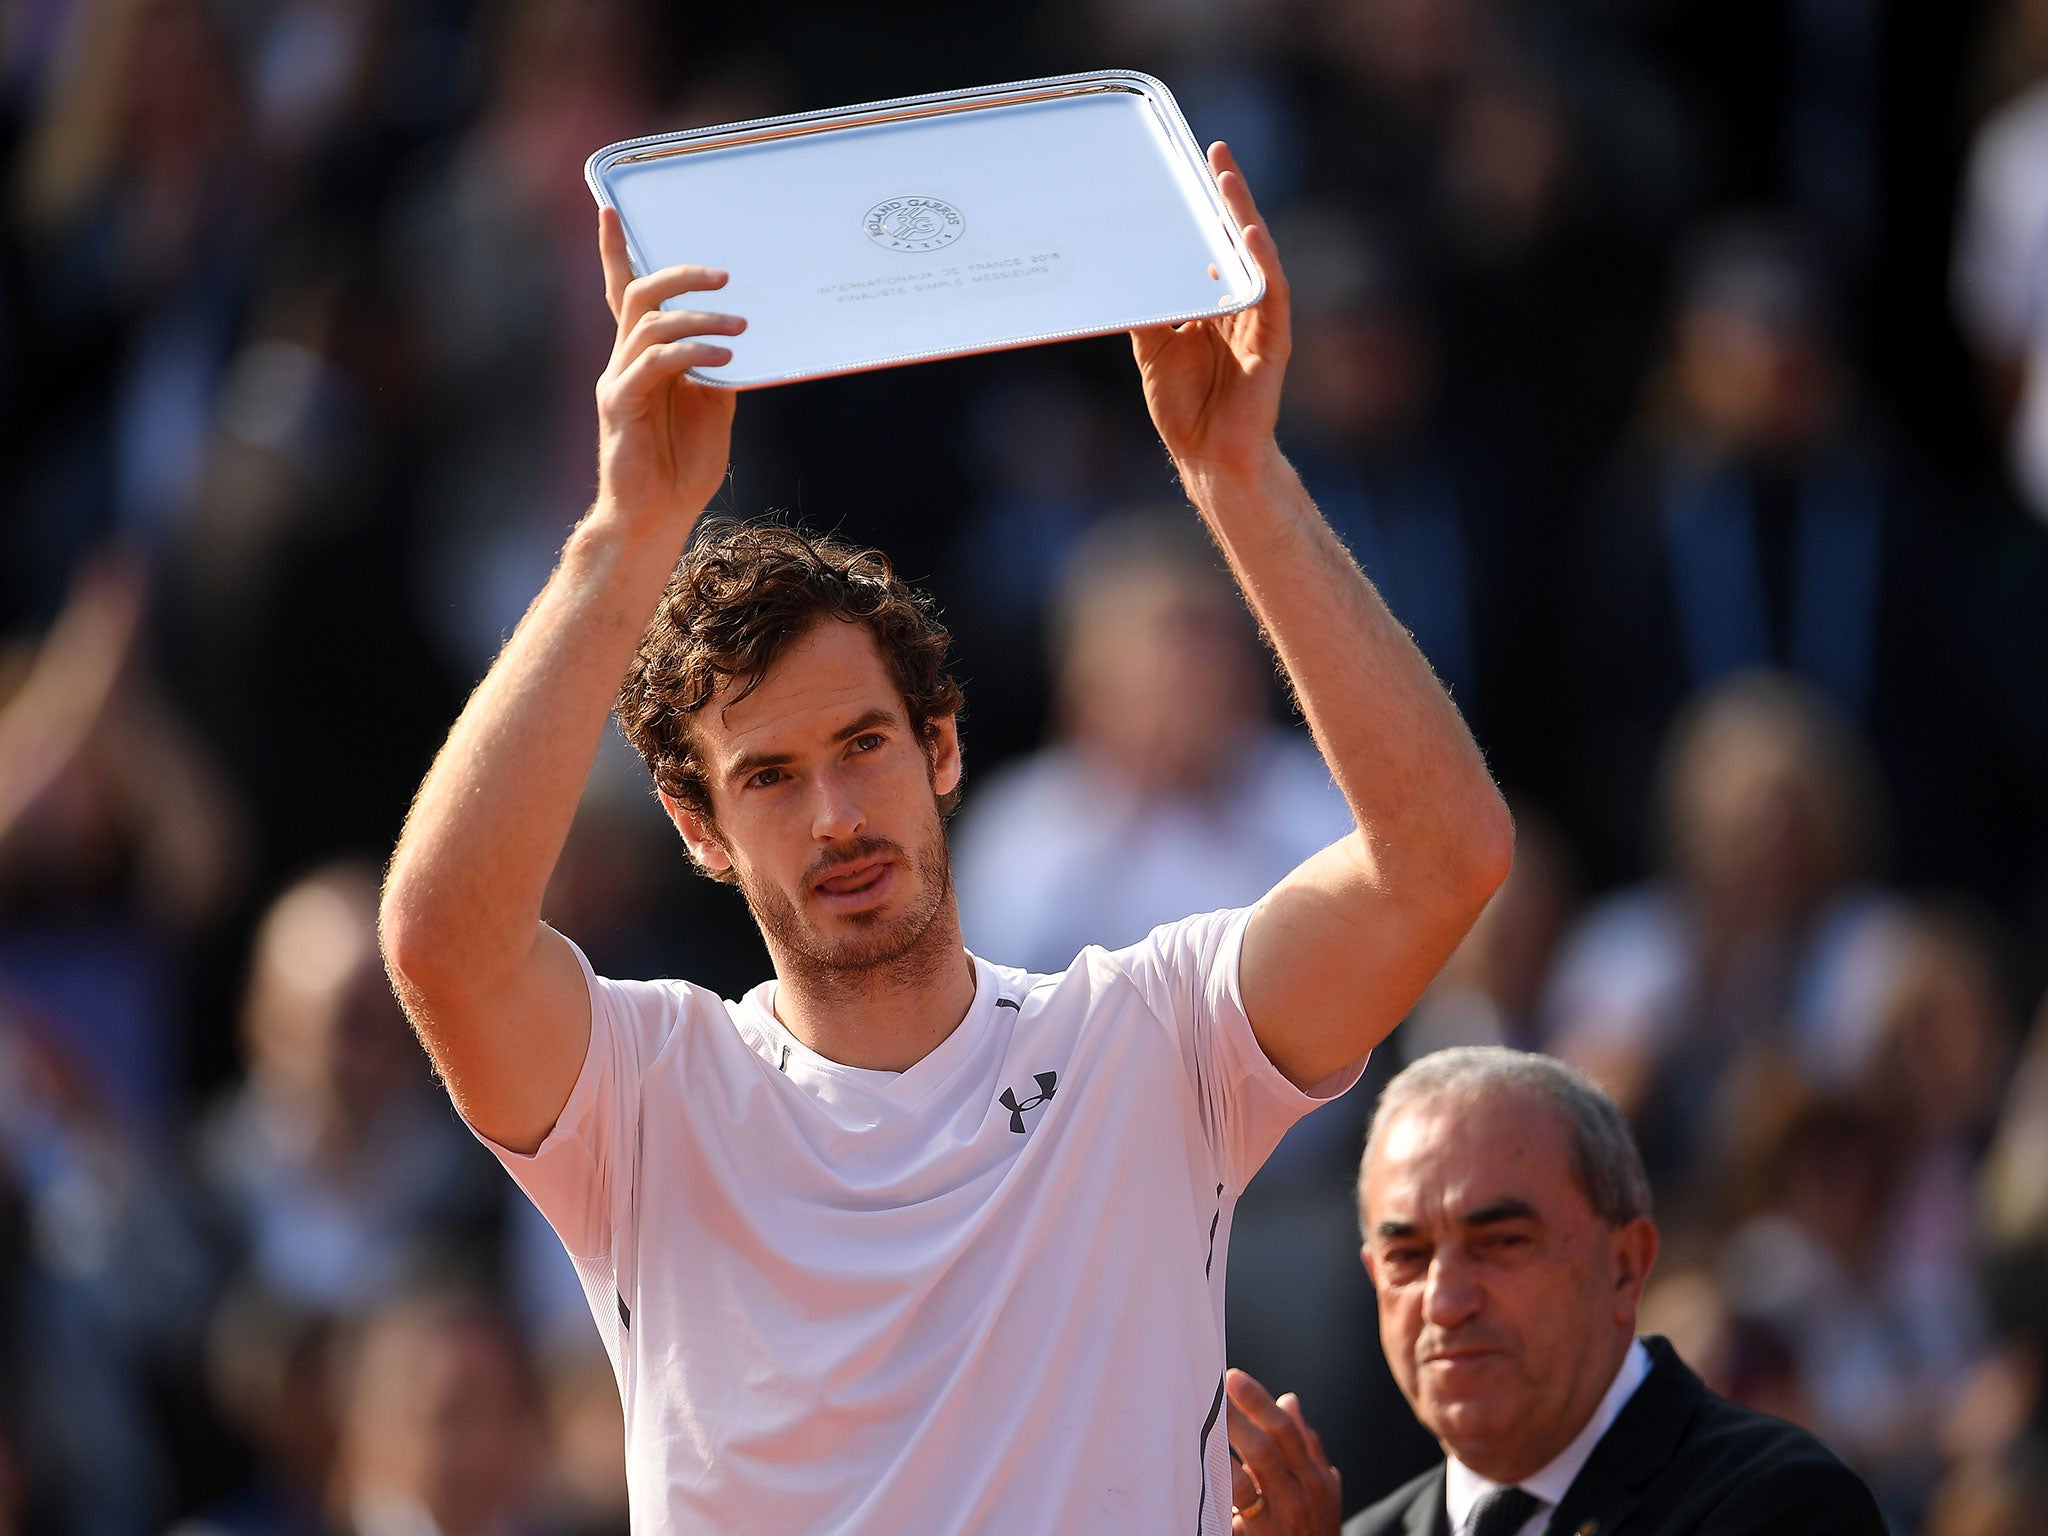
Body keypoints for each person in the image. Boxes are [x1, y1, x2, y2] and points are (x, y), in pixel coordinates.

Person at [378, 142, 1513, 1533]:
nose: (840, 818)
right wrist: (626, 530)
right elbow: (442, 946)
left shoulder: (1148, 1044)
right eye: (772, 778)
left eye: (863, 747)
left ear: (945, 749)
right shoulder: (649, 1093)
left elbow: (1443, 858)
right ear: (697, 828)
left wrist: (1237, 477)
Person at [1224, 1047, 1887, 1536]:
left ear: (1625, 1267)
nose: (1445, 1302)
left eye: (1502, 1243)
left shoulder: (1782, 1505)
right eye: (1408, 1256)